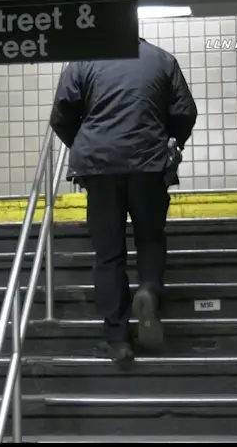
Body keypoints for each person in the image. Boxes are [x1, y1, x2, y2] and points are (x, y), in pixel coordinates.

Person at [50, 38, 198, 364]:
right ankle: (149, 290)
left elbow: (61, 115)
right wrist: (170, 140)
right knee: (149, 237)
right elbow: (185, 111)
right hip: (149, 163)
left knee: (108, 254)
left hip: (100, 168)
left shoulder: (83, 61)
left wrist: (88, 144)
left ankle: (117, 338)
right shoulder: (162, 59)